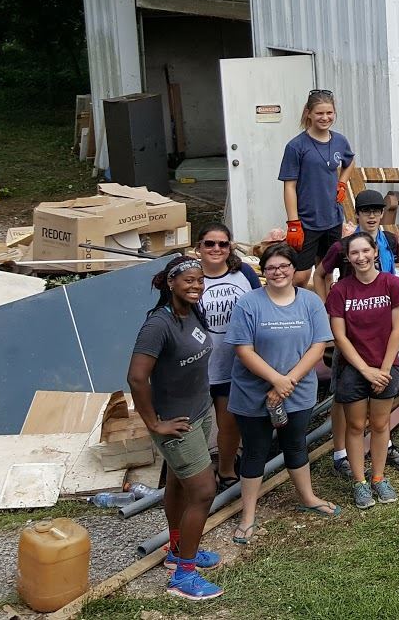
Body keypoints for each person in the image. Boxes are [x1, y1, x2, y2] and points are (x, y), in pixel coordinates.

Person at [227, 244, 339, 546]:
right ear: (264, 270)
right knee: (255, 451)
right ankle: (248, 515)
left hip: (297, 390)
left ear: (293, 269)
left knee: (296, 444)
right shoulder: (249, 304)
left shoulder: (311, 302)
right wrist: (276, 380)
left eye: (284, 266)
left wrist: (287, 381)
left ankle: (308, 497)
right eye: (272, 267)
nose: (278, 272)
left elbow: (318, 345)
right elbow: (242, 349)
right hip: (253, 393)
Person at [128, 256, 223, 601]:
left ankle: (177, 549)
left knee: (180, 487)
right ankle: (184, 577)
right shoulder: (158, 325)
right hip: (175, 423)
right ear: (170, 283)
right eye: (188, 280)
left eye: (200, 280)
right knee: (203, 492)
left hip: (199, 412)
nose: (196, 286)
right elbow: (137, 378)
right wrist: (154, 423)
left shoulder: (193, 313)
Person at [320, 189, 399, 478]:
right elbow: (320, 274)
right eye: (366, 211)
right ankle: (341, 454)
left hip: (381, 321)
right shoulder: (344, 246)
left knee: (380, 394)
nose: (373, 216)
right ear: (357, 214)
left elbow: (392, 271)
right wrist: (330, 309)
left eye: (378, 210)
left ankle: (383, 446)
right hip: (350, 330)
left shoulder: (389, 240)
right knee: (344, 393)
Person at [326, 232, 399, 510]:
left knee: (381, 424)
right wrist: (365, 370)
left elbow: (398, 328)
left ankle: (379, 477)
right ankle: (360, 482)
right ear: (347, 258)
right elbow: (340, 336)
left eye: (365, 251)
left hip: (386, 366)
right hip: (353, 368)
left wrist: (383, 369)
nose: (360, 257)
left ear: (375, 251)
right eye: (354, 253)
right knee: (356, 425)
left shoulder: (391, 283)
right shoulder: (341, 290)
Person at [194, 222, 258, 491]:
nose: (216, 248)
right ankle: (195, 478)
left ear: (230, 246)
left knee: (228, 423)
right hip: (197, 366)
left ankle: (226, 470)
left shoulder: (242, 272)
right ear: (199, 247)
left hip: (233, 364)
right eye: (209, 243)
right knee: (194, 425)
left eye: (222, 243)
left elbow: (260, 306)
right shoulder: (190, 275)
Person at [279, 90, 355, 290]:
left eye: (329, 113)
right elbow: (289, 186)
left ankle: (325, 314)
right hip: (307, 221)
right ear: (309, 114)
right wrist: (293, 222)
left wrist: (342, 183)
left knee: (326, 272)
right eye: (319, 113)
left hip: (332, 218)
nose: (325, 118)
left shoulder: (340, 141)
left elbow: (350, 161)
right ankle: (295, 312)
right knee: (300, 277)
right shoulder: (296, 146)